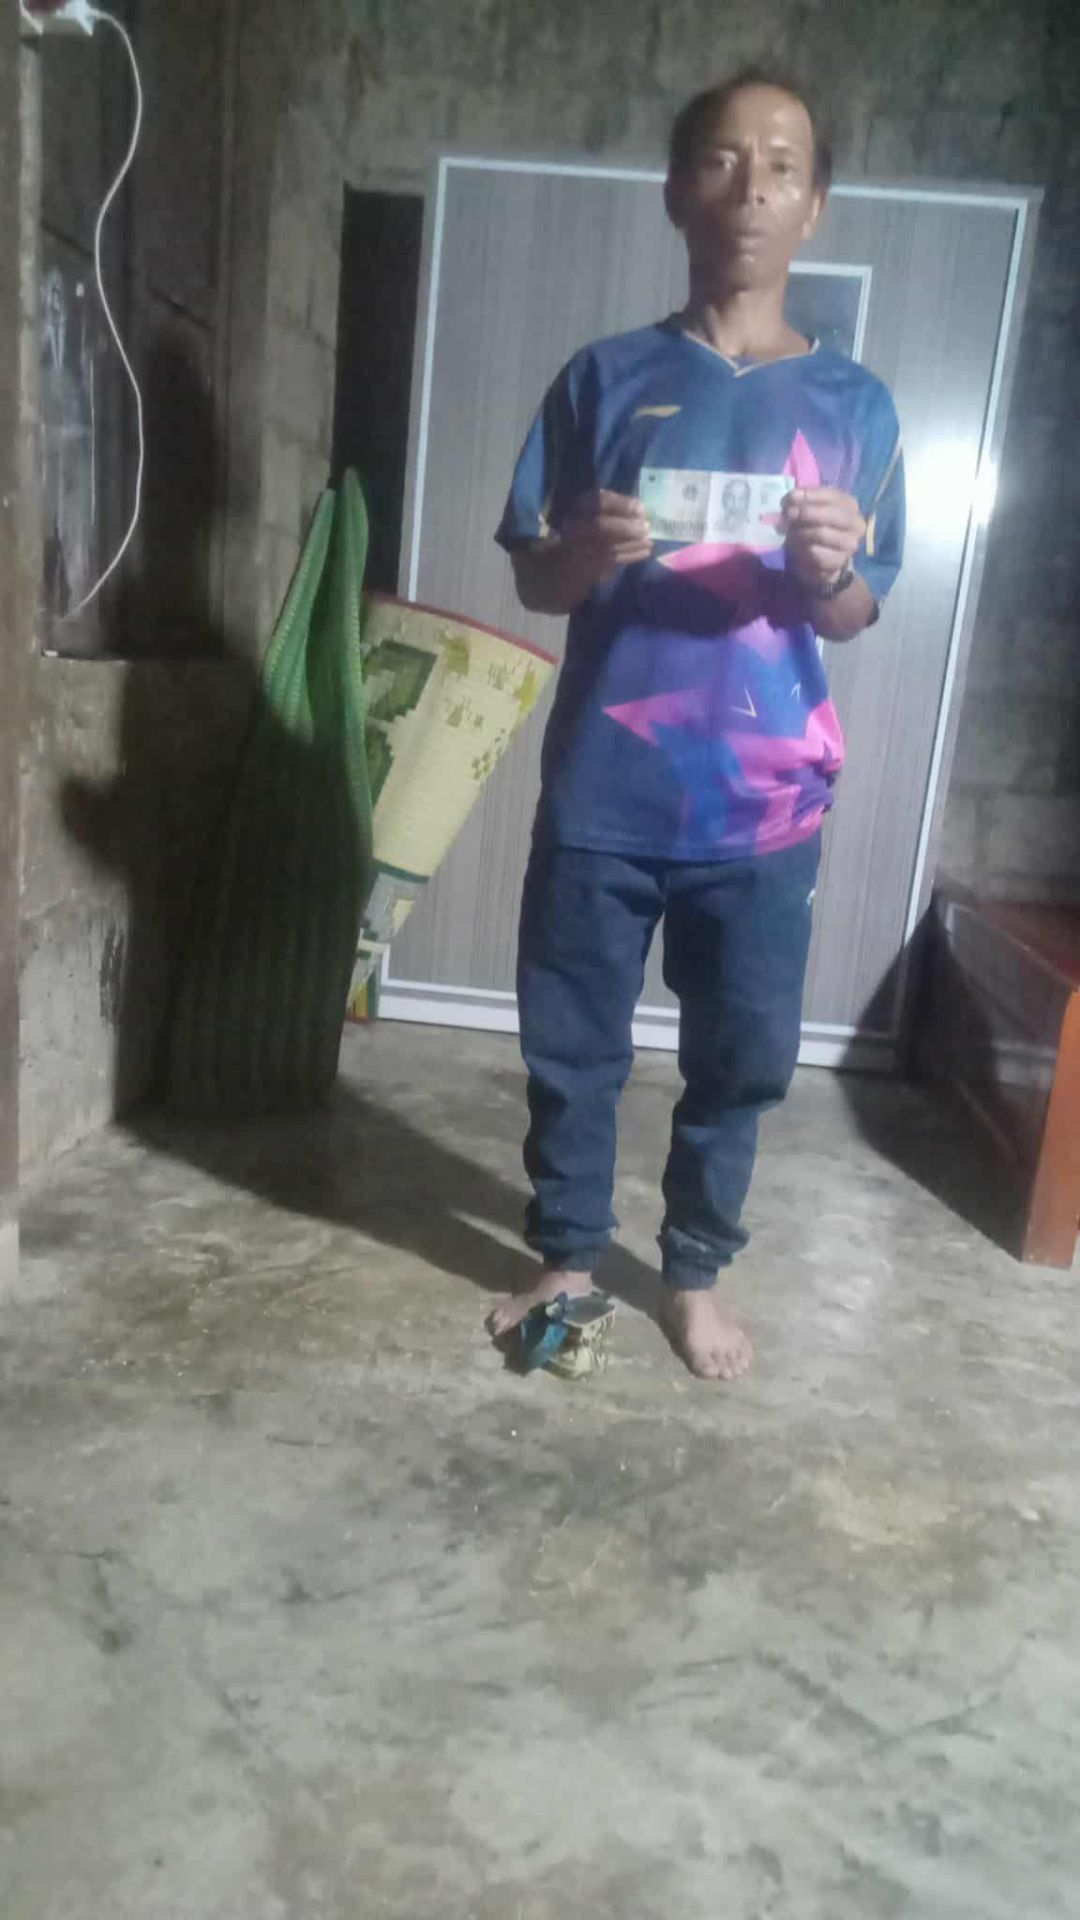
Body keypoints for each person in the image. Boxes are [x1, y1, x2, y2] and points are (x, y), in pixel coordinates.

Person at [486, 68, 905, 1380]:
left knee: (744, 1055)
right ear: (677, 191)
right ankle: (567, 1254)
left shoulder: (858, 408)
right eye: (723, 160)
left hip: (767, 807)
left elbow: (856, 613)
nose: (751, 190)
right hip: (605, 790)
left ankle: (695, 1270)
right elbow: (536, 579)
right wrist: (581, 552)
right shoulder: (601, 378)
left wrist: (831, 569)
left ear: (815, 205)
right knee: (571, 1040)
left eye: (782, 166)